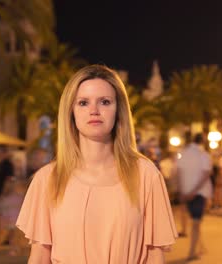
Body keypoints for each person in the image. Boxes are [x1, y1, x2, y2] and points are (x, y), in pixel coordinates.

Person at [17, 65, 178, 263]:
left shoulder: (146, 176)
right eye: (83, 103)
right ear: (71, 112)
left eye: (105, 102)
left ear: (118, 110)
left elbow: (155, 256)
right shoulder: (48, 179)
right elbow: (40, 257)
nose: (94, 110)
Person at [176, 133, 212, 261]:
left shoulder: (183, 153)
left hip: (185, 191)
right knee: (196, 222)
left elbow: (178, 172)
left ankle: (199, 247)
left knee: (193, 220)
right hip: (198, 193)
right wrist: (194, 191)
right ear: (202, 141)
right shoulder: (204, 155)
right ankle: (192, 251)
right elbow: (206, 174)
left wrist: (182, 190)